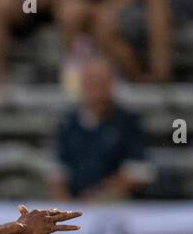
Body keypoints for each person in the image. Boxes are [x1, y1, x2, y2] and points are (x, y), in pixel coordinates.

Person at [50, 56, 152, 199]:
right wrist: (64, 201)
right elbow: (58, 171)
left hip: (112, 203)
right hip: (74, 203)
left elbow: (138, 172)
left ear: (111, 85)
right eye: (90, 81)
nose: (94, 87)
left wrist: (99, 193)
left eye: (99, 81)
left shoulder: (128, 123)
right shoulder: (68, 123)